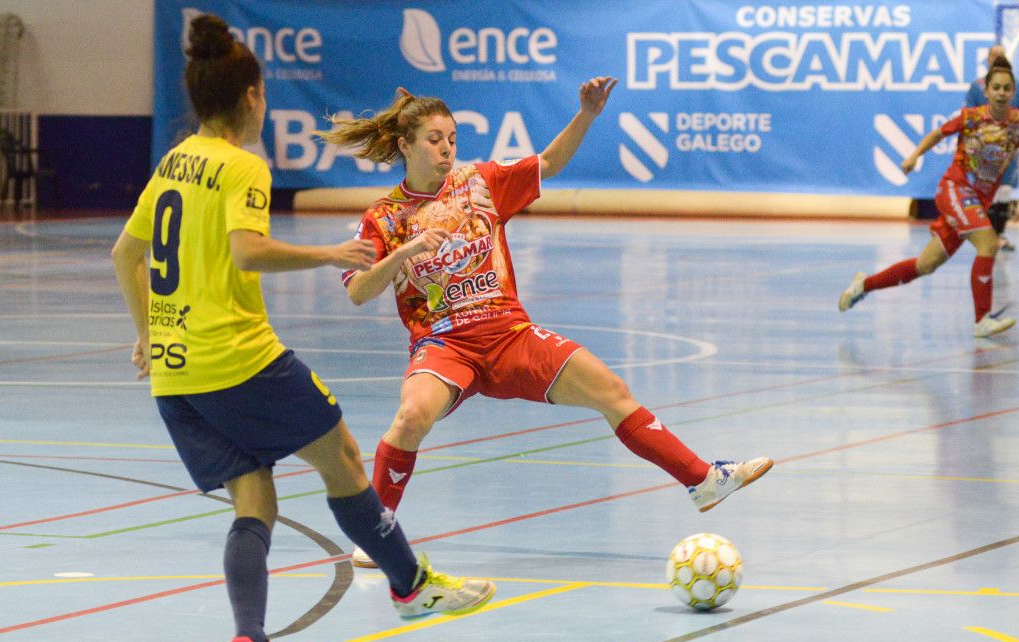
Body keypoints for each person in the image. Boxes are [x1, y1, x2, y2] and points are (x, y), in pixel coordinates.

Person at [111, 14, 494, 642]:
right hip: (238, 358)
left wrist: (148, 332)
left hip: (175, 377)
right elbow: (247, 251)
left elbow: (126, 253)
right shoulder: (242, 166)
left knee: (254, 496)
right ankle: (409, 584)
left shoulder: (174, 160)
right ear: (253, 96)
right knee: (342, 455)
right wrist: (327, 253)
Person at [320, 77, 773, 567]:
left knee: (612, 391)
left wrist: (587, 115)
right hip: (444, 344)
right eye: (434, 140)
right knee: (411, 417)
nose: (447, 149)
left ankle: (702, 480)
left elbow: (549, 163)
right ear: (405, 144)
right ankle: (375, 534)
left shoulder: (480, 183)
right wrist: (403, 254)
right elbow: (358, 291)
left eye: (452, 138)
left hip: (509, 334)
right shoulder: (384, 218)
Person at [838, 57, 1019, 339]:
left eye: (1006, 88)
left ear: (1013, 93)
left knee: (925, 265)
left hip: (976, 202)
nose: (1001, 92)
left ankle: (863, 285)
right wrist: (913, 156)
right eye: (996, 87)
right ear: (986, 91)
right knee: (988, 242)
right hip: (954, 189)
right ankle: (981, 320)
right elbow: (938, 134)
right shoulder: (970, 118)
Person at [965, 44, 1019, 252]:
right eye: (994, 56)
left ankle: (998, 235)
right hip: (985, 151)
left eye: (1002, 55)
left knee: (1005, 192)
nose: (998, 59)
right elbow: (967, 117)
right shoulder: (977, 87)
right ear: (988, 60)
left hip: (1009, 151)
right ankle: (987, 236)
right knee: (987, 193)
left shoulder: (1017, 86)